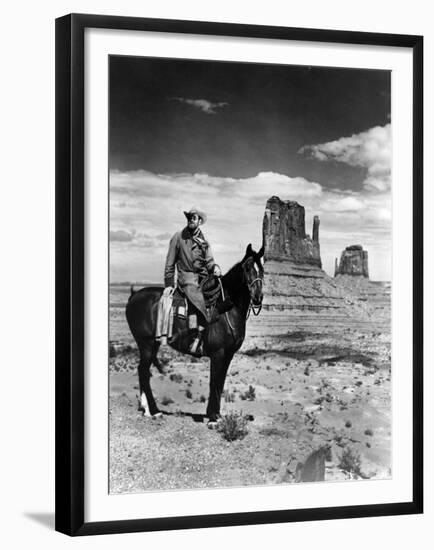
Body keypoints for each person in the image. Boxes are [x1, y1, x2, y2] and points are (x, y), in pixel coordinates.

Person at [164, 207, 222, 354]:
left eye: (193, 218)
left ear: (199, 222)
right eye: (189, 217)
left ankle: (214, 334)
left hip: (202, 277)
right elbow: (170, 262)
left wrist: (215, 268)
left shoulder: (204, 242)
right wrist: (169, 284)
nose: (190, 219)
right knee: (194, 294)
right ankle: (194, 337)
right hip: (186, 277)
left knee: (218, 290)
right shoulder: (178, 237)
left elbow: (209, 262)